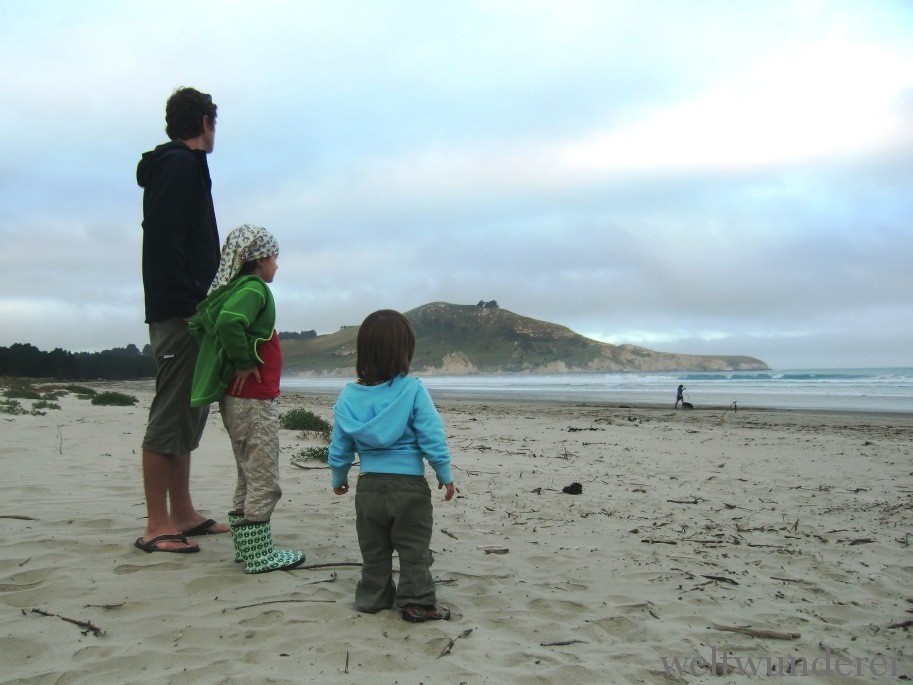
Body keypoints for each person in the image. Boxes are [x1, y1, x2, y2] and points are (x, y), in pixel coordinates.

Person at [135, 87, 228, 554]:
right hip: (180, 312)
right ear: (205, 122)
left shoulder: (189, 167)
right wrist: (192, 302)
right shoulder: (177, 165)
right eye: (215, 121)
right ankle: (156, 524)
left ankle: (184, 513)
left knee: (189, 413)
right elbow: (165, 240)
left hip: (192, 311)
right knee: (170, 415)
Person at [189, 225, 305, 573]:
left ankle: (246, 547)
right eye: (274, 258)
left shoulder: (238, 287)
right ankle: (258, 555)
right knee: (264, 475)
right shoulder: (254, 289)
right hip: (253, 401)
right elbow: (228, 323)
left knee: (247, 473)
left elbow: (217, 323)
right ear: (260, 260)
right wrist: (244, 360)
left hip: (240, 401)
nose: (277, 266)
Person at [329, 310, 455, 623]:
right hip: (409, 487)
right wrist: (444, 473)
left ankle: (373, 598)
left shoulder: (348, 396)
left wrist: (339, 475)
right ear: (404, 352)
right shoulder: (412, 390)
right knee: (413, 548)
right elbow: (431, 436)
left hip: (369, 487)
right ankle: (415, 603)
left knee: (374, 549)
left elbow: (340, 444)